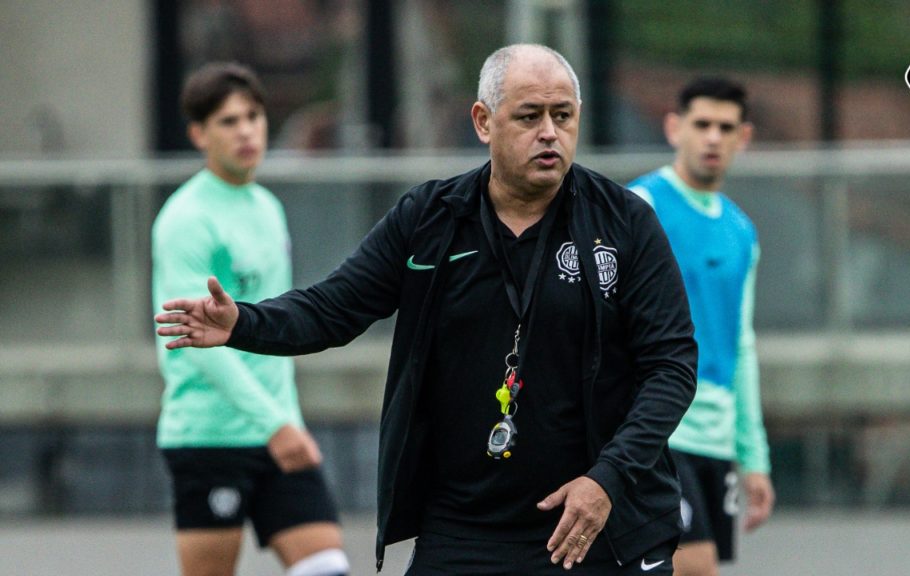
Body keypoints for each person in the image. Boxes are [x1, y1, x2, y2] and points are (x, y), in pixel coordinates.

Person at [155, 44, 698, 575]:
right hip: (465, 527)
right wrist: (244, 323)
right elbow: (334, 307)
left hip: (592, 527)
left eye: (563, 115)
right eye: (530, 116)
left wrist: (607, 478)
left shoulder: (625, 224)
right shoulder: (431, 218)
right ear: (483, 122)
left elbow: (671, 366)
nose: (549, 132)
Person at [152, 62, 350, 576]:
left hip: (280, 430)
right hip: (211, 437)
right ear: (199, 133)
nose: (246, 131)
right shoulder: (184, 220)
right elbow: (195, 343)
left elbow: (273, 324)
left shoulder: (267, 206)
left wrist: (286, 421)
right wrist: (274, 425)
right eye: (228, 121)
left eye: (254, 116)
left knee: (326, 567)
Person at [627, 77, 775, 576]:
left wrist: (753, 454)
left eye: (725, 127)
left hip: (715, 438)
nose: (713, 137)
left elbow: (742, 345)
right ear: (674, 128)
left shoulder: (741, 232)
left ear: (744, 138)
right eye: (702, 124)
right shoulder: (639, 209)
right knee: (697, 569)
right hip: (657, 433)